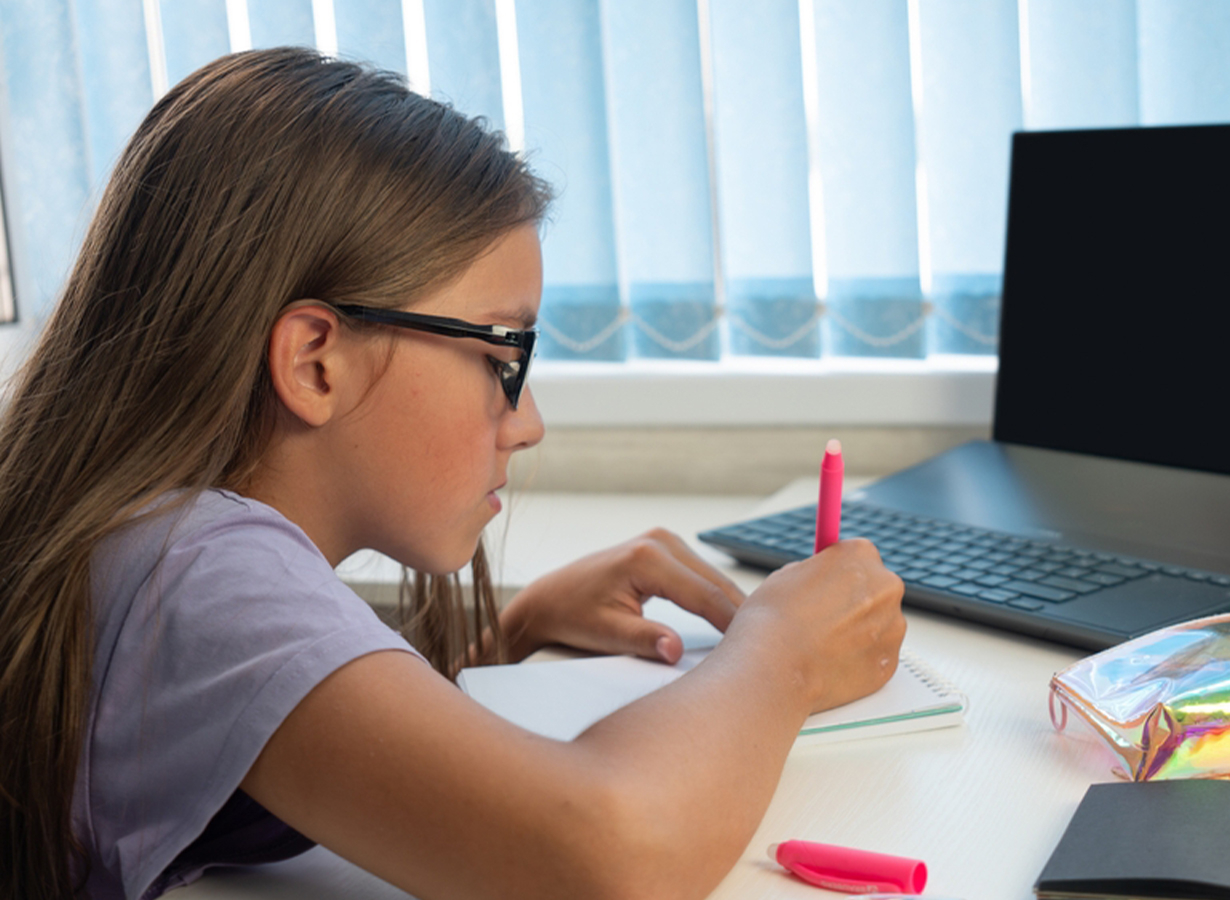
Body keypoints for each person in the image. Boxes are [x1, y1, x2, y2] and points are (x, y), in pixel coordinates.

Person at [0, 47, 905, 900]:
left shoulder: (155, 542)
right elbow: (611, 852)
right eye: (503, 355)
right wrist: (780, 650)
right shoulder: (202, 574)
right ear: (315, 363)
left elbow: (336, 755)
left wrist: (516, 633)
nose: (529, 423)